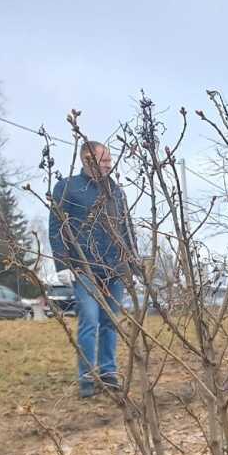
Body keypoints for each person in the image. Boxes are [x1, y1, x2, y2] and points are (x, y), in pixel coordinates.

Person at [48, 141, 137, 398]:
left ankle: (108, 373)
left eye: (110, 160)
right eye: (105, 160)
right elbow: (56, 228)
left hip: (115, 268)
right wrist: (62, 264)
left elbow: (126, 227)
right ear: (88, 160)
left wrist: (132, 263)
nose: (110, 164)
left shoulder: (116, 191)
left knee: (111, 322)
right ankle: (87, 376)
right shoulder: (66, 188)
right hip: (83, 267)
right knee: (89, 319)